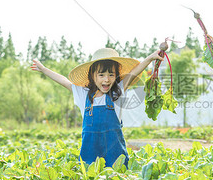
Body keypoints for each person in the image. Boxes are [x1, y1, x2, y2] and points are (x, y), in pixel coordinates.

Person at [31, 47, 163, 167]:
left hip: (116, 162)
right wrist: (43, 69)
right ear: (93, 76)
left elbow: (135, 71)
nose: (106, 79)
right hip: (90, 163)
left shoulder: (117, 93)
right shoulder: (83, 95)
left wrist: (151, 57)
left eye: (111, 75)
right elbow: (63, 81)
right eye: (101, 75)